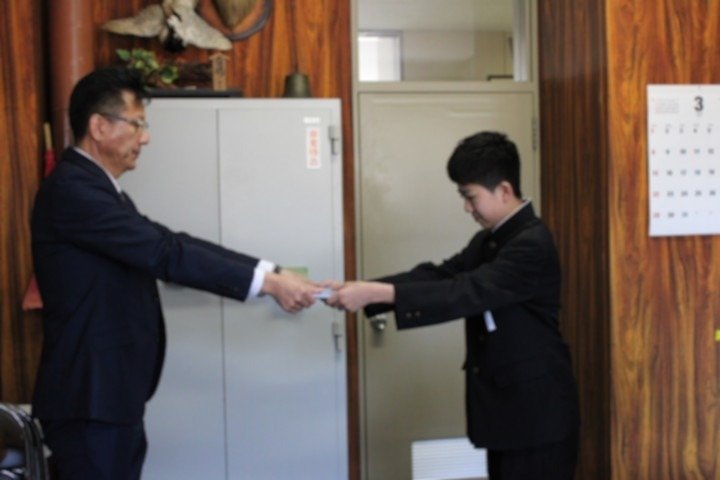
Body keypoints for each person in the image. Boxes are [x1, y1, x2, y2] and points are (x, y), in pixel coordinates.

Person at [30, 66, 322, 480]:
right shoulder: (73, 190)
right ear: (99, 126)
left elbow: (169, 241)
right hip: (89, 400)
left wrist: (270, 272)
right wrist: (269, 283)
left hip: (109, 397)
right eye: (137, 124)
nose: (145, 138)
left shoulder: (98, 189)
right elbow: (165, 252)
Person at [326, 131, 580, 479]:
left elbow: (465, 292)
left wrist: (375, 294)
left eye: (470, 197)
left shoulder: (531, 243)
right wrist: (365, 288)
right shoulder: (488, 240)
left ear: (504, 190)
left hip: (537, 414)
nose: (467, 208)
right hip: (508, 412)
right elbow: (440, 275)